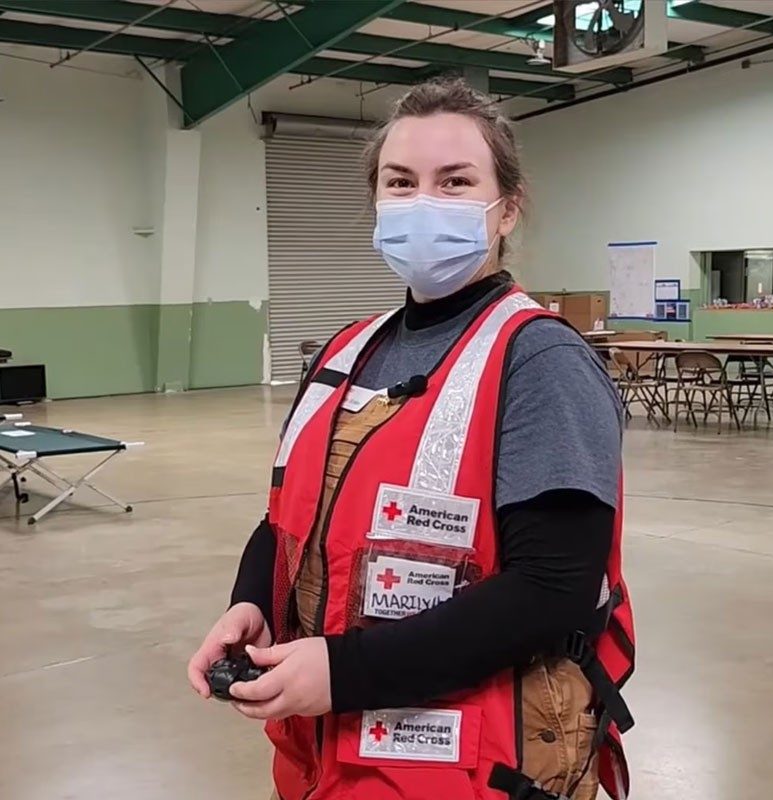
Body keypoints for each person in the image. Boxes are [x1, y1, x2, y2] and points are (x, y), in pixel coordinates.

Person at [188, 78, 635, 800]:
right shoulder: (346, 351)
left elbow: (553, 588)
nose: (423, 202)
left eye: (455, 182)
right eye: (401, 182)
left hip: (470, 762)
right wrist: (252, 604)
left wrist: (342, 670)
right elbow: (290, 518)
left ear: (507, 209)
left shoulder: (539, 360)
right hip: (325, 754)